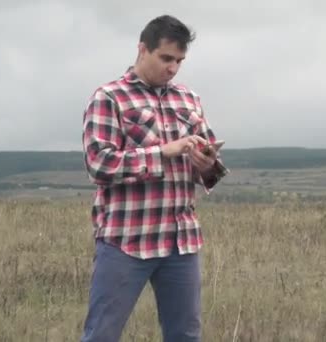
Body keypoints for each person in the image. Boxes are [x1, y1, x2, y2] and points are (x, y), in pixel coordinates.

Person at [80, 14, 229, 342]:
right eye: (165, 58)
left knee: (186, 336)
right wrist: (162, 152)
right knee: (102, 334)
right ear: (142, 49)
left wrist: (206, 162)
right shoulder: (109, 98)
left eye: (179, 61)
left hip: (181, 241)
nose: (173, 68)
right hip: (125, 240)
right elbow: (99, 165)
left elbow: (208, 168)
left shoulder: (188, 99)